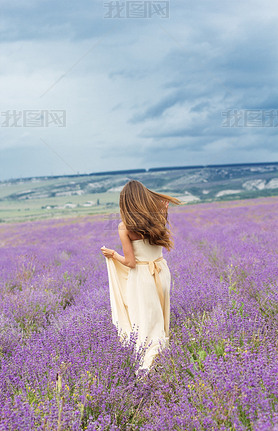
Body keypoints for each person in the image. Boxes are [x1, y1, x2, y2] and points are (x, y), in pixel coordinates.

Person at [101, 180, 182, 374]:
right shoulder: (158, 218)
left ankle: (146, 369)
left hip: (143, 277)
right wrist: (163, 210)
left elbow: (130, 263)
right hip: (162, 272)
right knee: (161, 318)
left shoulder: (125, 227)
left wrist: (113, 255)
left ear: (125, 203)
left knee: (145, 323)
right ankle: (164, 361)